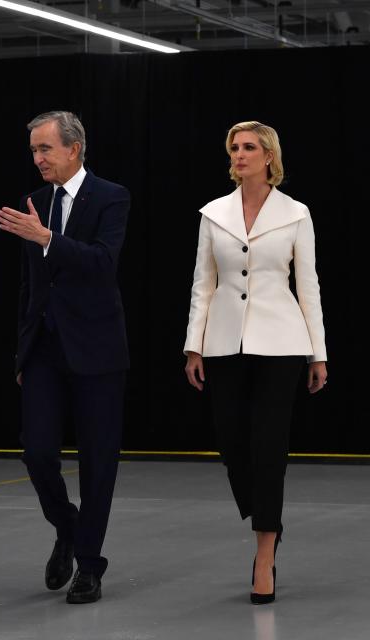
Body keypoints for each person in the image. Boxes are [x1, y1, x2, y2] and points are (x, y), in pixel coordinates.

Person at [183, 121, 327, 605]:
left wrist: (318, 353)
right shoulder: (213, 213)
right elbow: (203, 284)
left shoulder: (295, 213)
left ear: (269, 156)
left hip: (282, 343)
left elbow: (307, 286)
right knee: (231, 442)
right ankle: (268, 520)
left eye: (249, 148)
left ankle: (264, 554)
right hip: (225, 342)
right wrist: (193, 345)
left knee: (269, 448)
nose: (239, 155)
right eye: (234, 148)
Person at [0, 111, 130, 604]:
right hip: (44, 351)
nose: (37, 159)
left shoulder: (112, 196)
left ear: (74, 149)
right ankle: (69, 529)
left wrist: (48, 239)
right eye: (33, 150)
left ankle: (90, 564)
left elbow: (102, 263)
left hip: (97, 351)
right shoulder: (34, 201)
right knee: (36, 452)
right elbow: (29, 285)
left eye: (45, 149)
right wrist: (21, 352)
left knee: (98, 461)